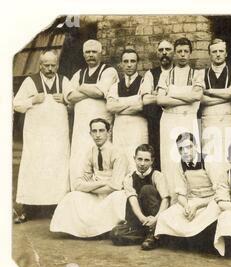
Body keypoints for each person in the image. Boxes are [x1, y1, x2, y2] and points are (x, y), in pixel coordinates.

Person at [13, 50, 71, 222]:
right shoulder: (31, 81)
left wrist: (66, 100)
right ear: (40, 65)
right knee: (34, 168)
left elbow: (75, 102)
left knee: (57, 169)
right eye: (46, 65)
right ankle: (28, 208)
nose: (50, 69)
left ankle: (56, 208)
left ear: (57, 65)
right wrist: (31, 100)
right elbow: (16, 104)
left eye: (53, 65)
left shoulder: (64, 81)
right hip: (36, 137)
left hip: (58, 138)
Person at [50, 118, 128, 238]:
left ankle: (106, 230)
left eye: (101, 131)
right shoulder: (91, 152)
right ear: (90, 133)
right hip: (97, 192)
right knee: (72, 196)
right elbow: (78, 182)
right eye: (94, 131)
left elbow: (116, 186)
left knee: (119, 197)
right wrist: (102, 182)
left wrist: (89, 188)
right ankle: (82, 231)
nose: (97, 135)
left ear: (109, 132)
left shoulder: (118, 153)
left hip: (111, 195)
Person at [155, 132, 220, 253]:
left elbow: (220, 192)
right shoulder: (180, 165)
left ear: (196, 146)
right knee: (166, 216)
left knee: (210, 214)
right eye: (181, 149)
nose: (185, 152)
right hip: (193, 200)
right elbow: (181, 194)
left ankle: (198, 241)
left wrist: (198, 206)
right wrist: (186, 206)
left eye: (189, 147)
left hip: (212, 200)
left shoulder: (208, 160)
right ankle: (185, 241)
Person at [156, 37, 205, 197]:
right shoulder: (166, 75)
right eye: (179, 52)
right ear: (175, 54)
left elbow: (196, 97)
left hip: (188, 120)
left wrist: (173, 96)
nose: (182, 54)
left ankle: (189, 198)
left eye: (186, 51)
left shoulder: (197, 74)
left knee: (188, 157)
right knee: (170, 160)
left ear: (190, 53)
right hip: (169, 121)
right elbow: (160, 99)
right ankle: (172, 198)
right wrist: (186, 96)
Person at [67, 39, 119, 190]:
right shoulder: (79, 73)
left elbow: (100, 91)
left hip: (100, 123)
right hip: (81, 126)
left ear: (101, 53)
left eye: (94, 52)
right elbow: (69, 97)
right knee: (79, 158)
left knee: (99, 157)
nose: (90, 55)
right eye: (87, 52)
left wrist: (82, 87)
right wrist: (91, 91)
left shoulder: (109, 71)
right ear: (83, 54)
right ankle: (77, 192)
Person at [110, 144, 170, 250]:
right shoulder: (129, 178)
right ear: (134, 159)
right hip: (138, 221)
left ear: (152, 161)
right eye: (139, 159)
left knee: (147, 189)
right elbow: (132, 200)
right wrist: (143, 219)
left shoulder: (157, 176)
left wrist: (155, 219)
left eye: (146, 160)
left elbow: (166, 200)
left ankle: (153, 233)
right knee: (115, 233)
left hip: (155, 219)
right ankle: (150, 236)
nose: (142, 164)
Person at [201, 39, 231, 179]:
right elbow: (200, 98)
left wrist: (210, 91)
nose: (218, 54)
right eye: (214, 51)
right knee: (212, 160)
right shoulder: (201, 73)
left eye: (221, 51)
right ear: (209, 54)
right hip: (210, 122)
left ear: (226, 54)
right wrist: (225, 95)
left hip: (229, 121)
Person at [106, 49, 149, 169]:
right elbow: (110, 107)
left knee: (138, 160)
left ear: (137, 63)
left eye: (132, 61)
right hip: (120, 130)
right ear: (121, 64)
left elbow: (141, 105)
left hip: (138, 128)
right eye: (126, 61)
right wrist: (132, 104)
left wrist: (119, 106)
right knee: (121, 161)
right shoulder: (115, 86)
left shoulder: (144, 82)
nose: (129, 64)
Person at [142, 39, 175, 171]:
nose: (164, 53)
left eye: (168, 50)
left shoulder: (179, 71)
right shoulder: (151, 74)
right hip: (156, 121)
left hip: (176, 119)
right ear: (157, 53)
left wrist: (157, 95)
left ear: (173, 53)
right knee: (158, 153)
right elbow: (146, 99)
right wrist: (169, 96)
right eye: (161, 50)